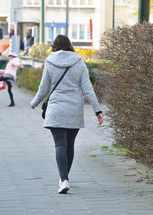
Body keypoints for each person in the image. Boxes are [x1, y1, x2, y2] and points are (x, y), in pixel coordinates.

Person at [30, 35, 103, 194]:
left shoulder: (49, 61)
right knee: (69, 145)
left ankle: (64, 179)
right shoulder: (79, 61)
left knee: (60, 145)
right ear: (69, 45)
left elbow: (44, 88)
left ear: (54, 46)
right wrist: (97, 110)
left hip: (56, 108)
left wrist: (34, 102)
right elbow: (88, 89)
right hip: (74, 108)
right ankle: (64, 178)